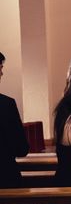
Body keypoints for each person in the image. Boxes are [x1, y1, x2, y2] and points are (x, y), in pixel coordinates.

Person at [0, 52, 30, 188]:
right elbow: (21, 148)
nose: (2, 73)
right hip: (5, 176)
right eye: (0, 68)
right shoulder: (6, 104)